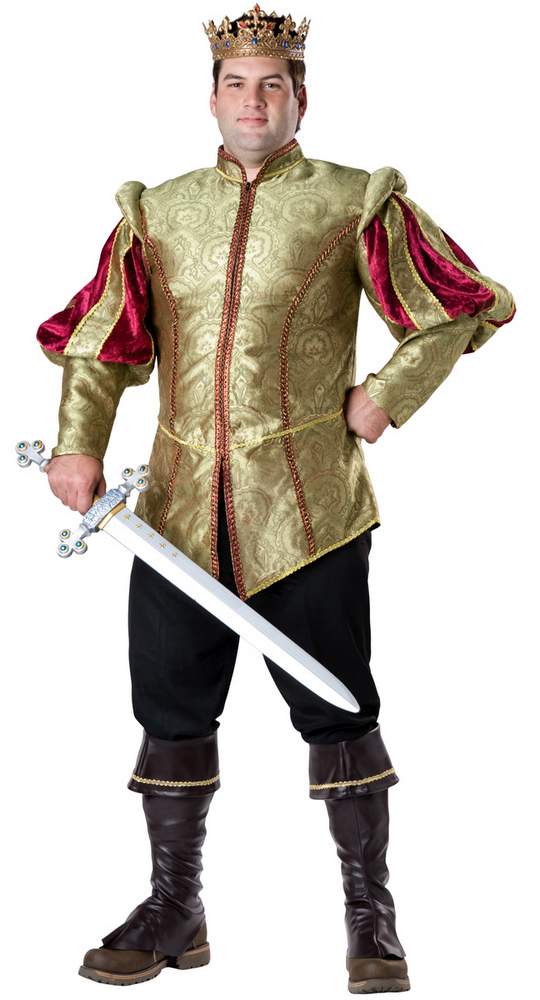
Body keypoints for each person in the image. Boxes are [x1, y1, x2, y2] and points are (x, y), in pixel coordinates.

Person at [36, 5, 516, 993]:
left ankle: (371, 917)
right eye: (236, 85)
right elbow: (101, 341)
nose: (252, 102)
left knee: (339, 711)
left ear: (302, 97)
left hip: (308, 512)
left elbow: (464, 305)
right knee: (170, 710)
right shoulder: (157, 212)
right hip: (173, 514)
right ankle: (175, 908)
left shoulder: (355, 201)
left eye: (272, 86)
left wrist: (387, 394)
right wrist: (80, 440)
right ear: (211, 97)